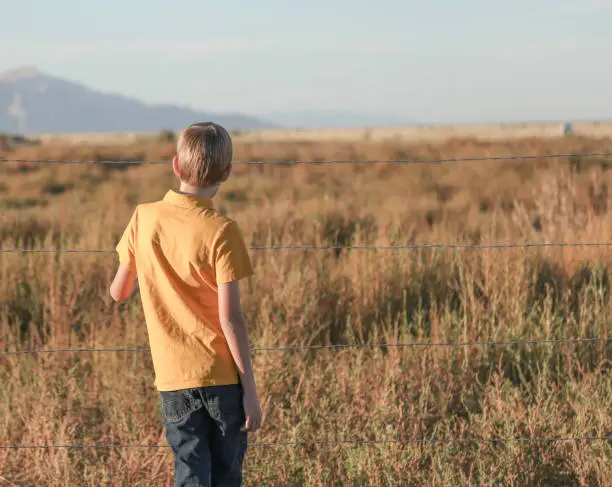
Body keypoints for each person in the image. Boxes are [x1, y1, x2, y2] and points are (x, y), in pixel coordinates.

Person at [109, 122, 262, 487]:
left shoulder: (144, 218)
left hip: (174, 379)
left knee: (191, 474)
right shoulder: (223, 230)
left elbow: (118, 292)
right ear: (227, 172)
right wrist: (251, 391)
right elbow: (230, 318)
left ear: (176, 166)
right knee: (227, 476)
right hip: (223, 379)